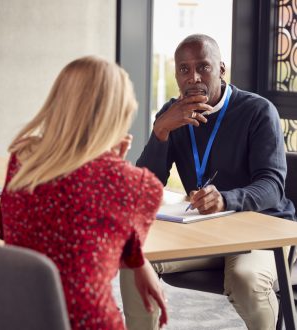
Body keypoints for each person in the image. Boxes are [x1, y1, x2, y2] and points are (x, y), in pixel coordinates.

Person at [120, 34, 296, 330]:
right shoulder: (173, 115)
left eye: (204, 67)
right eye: (184, 69)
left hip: (261, 230)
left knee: (245, 279)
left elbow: (272, 186)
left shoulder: (258, 111)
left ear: (222, 69)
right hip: (204, 231)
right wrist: (160, 130)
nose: (194, 77)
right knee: (134, 259)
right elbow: (145, 187)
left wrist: (227, 199)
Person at [0, 56, 168, 329]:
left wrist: (140, 263)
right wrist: (117, 166)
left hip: (17, 314)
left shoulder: (24, 157)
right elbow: (116, 255)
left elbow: (11, 235)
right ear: (120, 113)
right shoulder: (140, 185)